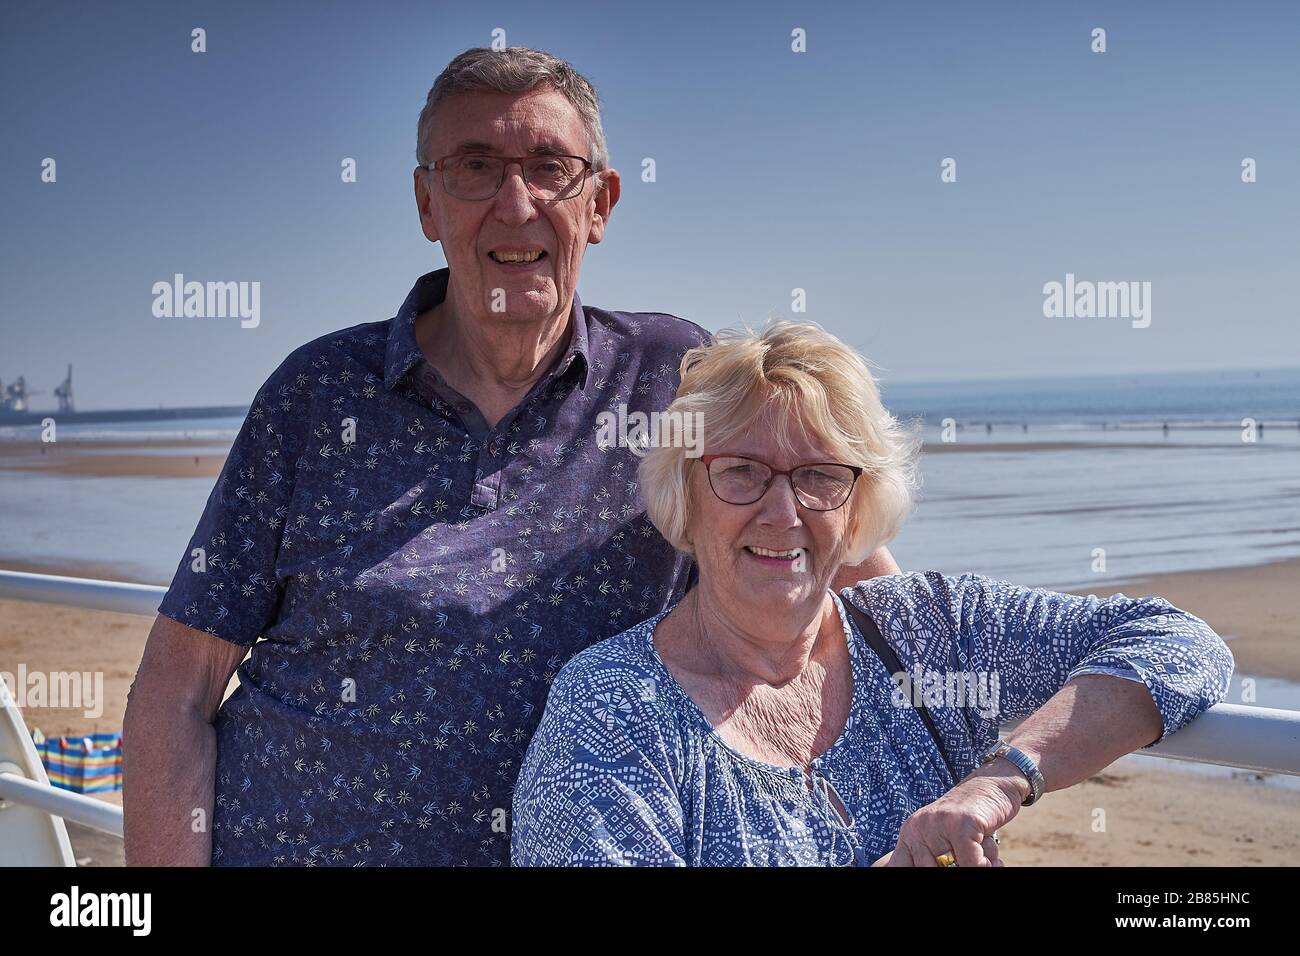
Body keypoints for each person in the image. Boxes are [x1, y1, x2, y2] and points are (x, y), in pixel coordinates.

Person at [122, 48, 899, 867]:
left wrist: (966, 787)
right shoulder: (316, 395)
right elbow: (178, 688)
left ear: (600, 203)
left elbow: (860, 584)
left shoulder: (672, 382)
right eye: (475, 167)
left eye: (549, 169)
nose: (515, 203)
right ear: (427, 201)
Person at [511, 321, 1233, 866]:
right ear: (684, 493)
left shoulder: (931, 633)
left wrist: (1000, 779)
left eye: (820, 475)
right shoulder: (612, 714)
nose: (782, 512)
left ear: (859, 506)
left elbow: (1180, 645)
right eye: (741, 471)